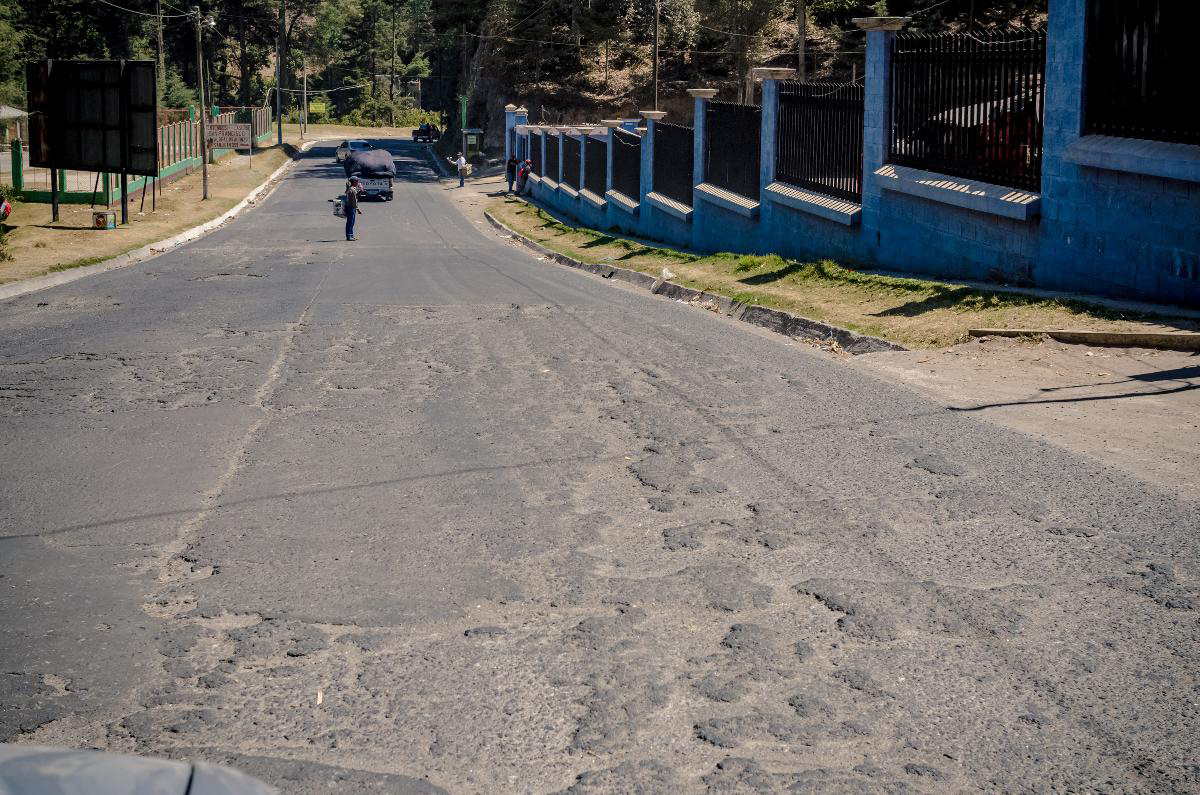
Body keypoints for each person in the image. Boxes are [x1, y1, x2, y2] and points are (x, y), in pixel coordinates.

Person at [343, 176, 362, 241]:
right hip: (351, 207)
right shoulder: (352, 189)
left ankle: (351, 235)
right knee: (350, 222)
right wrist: (358, 209)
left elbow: (355, 197)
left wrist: (360, 191)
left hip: (351, 207)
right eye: (357, 181)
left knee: (351, 222)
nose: (358, 182)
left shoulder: (351, 189)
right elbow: (354, 201)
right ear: (354, 181)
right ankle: (349, 236)